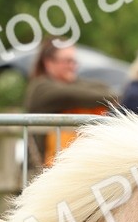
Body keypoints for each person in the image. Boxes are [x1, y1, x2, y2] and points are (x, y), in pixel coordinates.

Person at [23, 37, 116, 166]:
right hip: (38, 170)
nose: (72, 66)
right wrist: (114, 95)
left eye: (74, 62)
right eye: (67, 61)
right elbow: (72, 95)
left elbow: (102, 89)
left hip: (63, 167)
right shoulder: (40, 87)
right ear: (49, 63)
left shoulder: (75, 84)